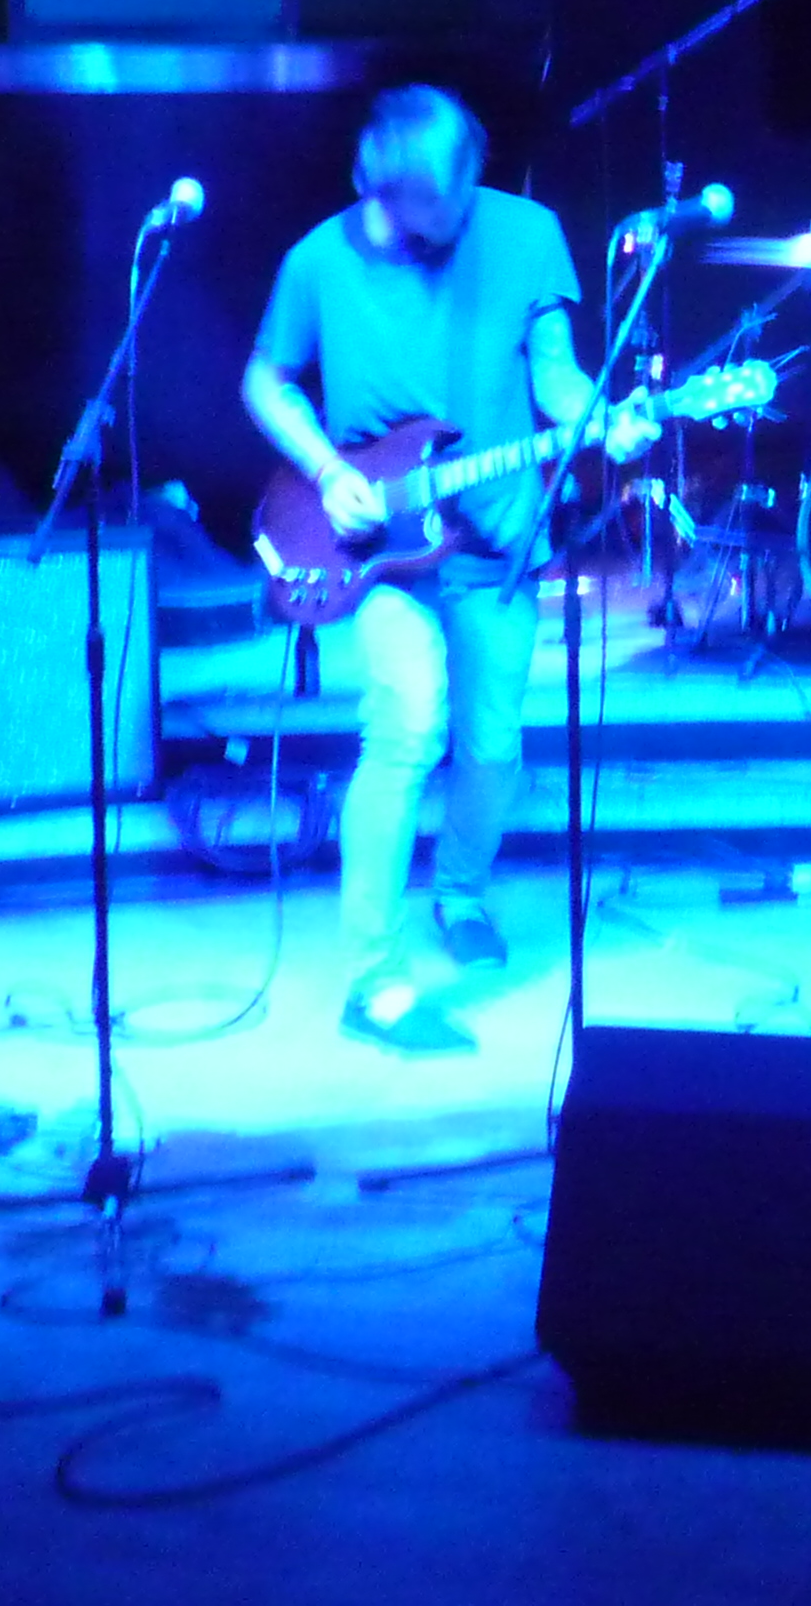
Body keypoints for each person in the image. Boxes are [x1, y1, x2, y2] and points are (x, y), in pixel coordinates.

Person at [243, 86, 597, 1057]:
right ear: (378, 186)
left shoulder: (526, 233)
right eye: (438, 203)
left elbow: (556, 372)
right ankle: (374, 980)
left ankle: (462, 892)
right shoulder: (317, 262)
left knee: (493, 747)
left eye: (468, 186)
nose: (461, 211)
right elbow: (264, 380)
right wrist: (329, 471)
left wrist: (599, 417)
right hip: (383, 553)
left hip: (498, 540)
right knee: (405, 724)